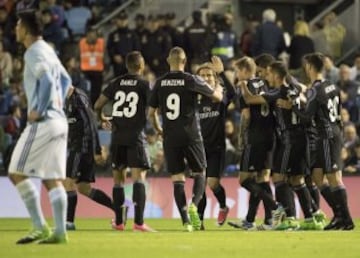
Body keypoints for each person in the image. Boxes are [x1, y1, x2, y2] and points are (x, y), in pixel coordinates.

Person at [8, 10, 71, 244]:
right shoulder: (49, 50)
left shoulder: (33, 51)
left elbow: (45, 80)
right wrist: (58, 104)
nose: (15, 29)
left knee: (15, 173)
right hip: (60, 121)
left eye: (17, 26)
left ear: (24, 29)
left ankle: (39, 226)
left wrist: (41, 109)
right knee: (51, 178)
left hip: (44, 122)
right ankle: (60, 232)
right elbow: (66, 81)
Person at [240, 61, 325, 230]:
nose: (266, 76)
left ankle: (290, 218)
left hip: (289, 140)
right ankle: (311, 218)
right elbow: (304, 97)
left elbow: (249, 98)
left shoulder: (278, 92)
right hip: (302, 138)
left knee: (279, 178)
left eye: (269, 73)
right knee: (297, 180)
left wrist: (243, 84)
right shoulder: (295, 89)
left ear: (277, 75)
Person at [148, 47, 223, 231]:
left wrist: (159, 129)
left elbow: (151, 113)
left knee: (177, 178)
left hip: (170, 136)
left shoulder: (160, 82)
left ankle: (185, 221)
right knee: (200, 172)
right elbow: (217, 97)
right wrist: (219, 81)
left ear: (168, 61)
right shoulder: (191, 79)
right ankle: (194, 205)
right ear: (185, 61)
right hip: (191, 134)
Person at [95, 51, 155, 232]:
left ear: (127, 66)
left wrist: (102, 118)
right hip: (135, 136)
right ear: (141, 66)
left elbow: (97, 105)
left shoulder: (116, 83)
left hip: (118, 137)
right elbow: (154, 108)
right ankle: (139, 223)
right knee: (139, 179)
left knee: (118, 181)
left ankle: (119, 222)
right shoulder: (145, 84)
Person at [297, 53, 354, 230]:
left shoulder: (316, 90)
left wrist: (293, 105)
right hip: (334, 132)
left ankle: (346, 219)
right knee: (317, 176)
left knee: (334, 178)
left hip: (327, 135)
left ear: (310, 67)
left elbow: (307, 117)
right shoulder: (332, 86)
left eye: (307, 65)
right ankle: (339, 216)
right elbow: (339, 113)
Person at [228, 56, 276, 231]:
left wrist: (242, 137)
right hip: (270, 137)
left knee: (244, 179)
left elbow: (246, 116)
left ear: (246, 71)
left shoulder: (244, 86)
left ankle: (275, 206)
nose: (236, 74)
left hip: (255, 138)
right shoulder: (267, 83)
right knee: (262, 179)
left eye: (238, 70)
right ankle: (259, 220)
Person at [64, 85, 114, 231]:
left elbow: (91, 123)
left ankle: (69, 222)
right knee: (84, 188)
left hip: (81, 148)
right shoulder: (67, 100)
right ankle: (118, 209)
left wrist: (97, 149)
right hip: (79, 146)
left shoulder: (78, 98)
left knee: (68, 182)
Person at [195, 56, 235, 229]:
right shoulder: (194, 98)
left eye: (209, 75)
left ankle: (223, 206)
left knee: (212, 183)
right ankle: (200, 222)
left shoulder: (220, 96)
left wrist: (222, 73)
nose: (205, 78)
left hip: (216, 147)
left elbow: (233, 94)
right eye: (202, 75)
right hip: (198, 148)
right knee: (201, 186)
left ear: (214, 78)